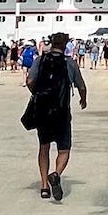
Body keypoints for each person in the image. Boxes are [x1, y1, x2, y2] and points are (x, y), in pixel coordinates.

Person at [25, 32, 87, 202]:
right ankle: (56, 174)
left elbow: (30, 81)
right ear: (65, 44)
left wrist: (38, 94)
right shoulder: (70, 63)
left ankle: (44, 186)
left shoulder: (41, 60)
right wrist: (83, 99)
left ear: (51, 43)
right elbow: (81, 85)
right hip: (62, 112)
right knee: (64, 149)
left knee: (43, 147)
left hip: (43, 111)